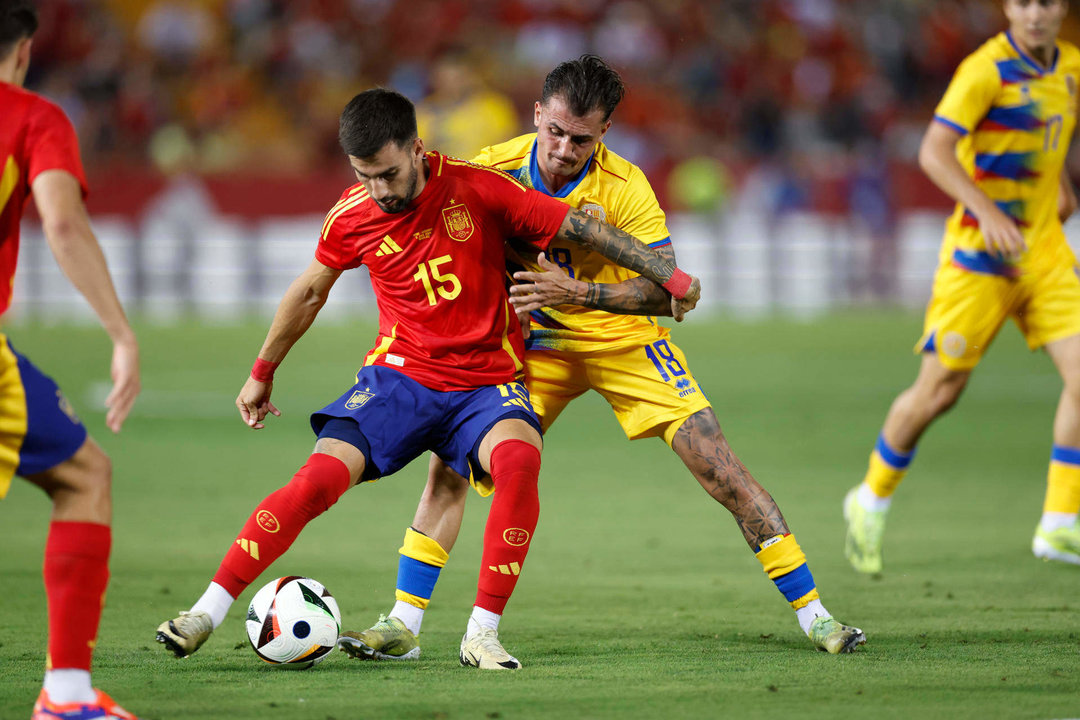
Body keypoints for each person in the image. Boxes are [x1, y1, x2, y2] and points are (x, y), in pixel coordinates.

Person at [337, 55, 865, 665]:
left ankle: (817, 616)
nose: (562, 149)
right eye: (554, 131)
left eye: (580, 139)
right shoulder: (492, 168)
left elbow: (670, 294)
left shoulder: (626, 187)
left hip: (623, 340)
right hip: (531, 347)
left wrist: (581, 293)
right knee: (451, 470)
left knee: (719, 466)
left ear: (604, 133)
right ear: (537, 114)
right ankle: (404, 625)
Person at [154, 87, 699, 670]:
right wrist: (261, 371)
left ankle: (482, 635)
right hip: (400, 378)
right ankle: (205, 612)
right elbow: (310, 291)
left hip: (488, 383)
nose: (379, 191)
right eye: (365, 176)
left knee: (519, 463)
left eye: (388, 174)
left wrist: (671, 275)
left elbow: (584, 231)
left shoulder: (478, 187)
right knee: (317, 480)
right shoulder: (352, 214)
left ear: (417, 149)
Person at [844, 0, 1080, 574]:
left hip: (1044, 253)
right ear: (1007, 7)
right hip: (978, 258)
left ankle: (1059, 522)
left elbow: (1052, 142)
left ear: (1063, 8)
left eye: (1046, 2)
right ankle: (870, 497)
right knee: (939, 392)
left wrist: (1064, 187)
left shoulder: (1070, 67)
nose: (1034, 14)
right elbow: (933, 151)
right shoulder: (985, 70)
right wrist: (987, 211)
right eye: (1022, 2)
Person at [0, 3, 142, 719]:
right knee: (86, 477)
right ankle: (66, 695)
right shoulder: (31, 117)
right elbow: (60, 220)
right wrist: (121, 333)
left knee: (81, 470)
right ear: (22, 50)